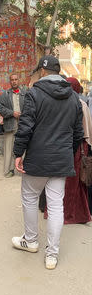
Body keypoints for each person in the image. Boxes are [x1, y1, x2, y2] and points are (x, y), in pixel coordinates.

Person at [12, 55, 84, 270]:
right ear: (58, 72)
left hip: (37, 159)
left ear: (42, 72)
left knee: (30, 198)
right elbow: (77, 134)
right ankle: (52, 255)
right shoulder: (73, 98)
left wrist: (18, 153)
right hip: (60, 160)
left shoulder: (34, 94)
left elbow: (25, 127)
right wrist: (66, 154)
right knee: (55, 205)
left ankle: (31, 241)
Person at [62, 77, 92, 224]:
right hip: (79, 146)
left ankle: (66, 213)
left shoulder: (69, 103)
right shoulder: (81, 104)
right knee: (75, 182)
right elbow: (88, 131)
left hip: (72, 147)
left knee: (68, 181)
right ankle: (77, 213)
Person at [0, 74, 26, 177]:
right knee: (9, 148)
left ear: (19, 80)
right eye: (12, 80)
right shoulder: (5, 95)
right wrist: (12, 113)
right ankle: (9, 170)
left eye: (16, 79)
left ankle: (22, 170)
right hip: (10, 125)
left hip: (23, 125)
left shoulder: (25, 94)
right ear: (10, 82)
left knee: (23, 147)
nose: (14, 81)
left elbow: (30, 108)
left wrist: (23, 115)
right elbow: (1, 109)